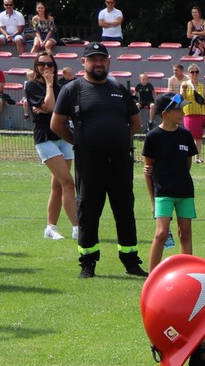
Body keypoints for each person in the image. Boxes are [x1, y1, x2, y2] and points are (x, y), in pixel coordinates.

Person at [52, 42, 144, 279]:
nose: (98, 63)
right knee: (89, 211)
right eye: (93, 59)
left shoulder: (118, 88)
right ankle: (88, 263)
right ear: (84, 62)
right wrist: (80, 141)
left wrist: (119, 139)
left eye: (102, 59)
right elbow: (56, 124)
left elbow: (136, 122)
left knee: (124, 209)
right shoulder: (72, 89)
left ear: (109, 61)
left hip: (120, 159)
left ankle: (131, 261)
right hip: (90, 161)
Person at [25, 54, 79, 241]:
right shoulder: (32, 86)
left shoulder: (62, 87)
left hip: (63, 137)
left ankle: (50, 227)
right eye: (41, 64)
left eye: (50, 64)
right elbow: (50, 106)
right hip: (45, 138)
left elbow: (61, 110)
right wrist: (48, 86)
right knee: (68, 183)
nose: (46, 67)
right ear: (36, 66)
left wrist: (49, 107)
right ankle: (77, 227)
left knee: (58, 185)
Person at [143, 93, 197, 268]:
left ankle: (187, 273)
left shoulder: (186, 135)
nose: (183, 113)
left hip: (185, 192)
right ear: (166, 114)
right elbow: (148, 170)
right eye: (178, 110)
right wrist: (152, 201)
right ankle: (152, 277)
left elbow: (187, 164)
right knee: (161, 234)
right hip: (163, 193)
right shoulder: (153, 137)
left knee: (185, 233)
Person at [180, 64, 205, 161]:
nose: (194, 74)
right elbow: (181, 98)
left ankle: (197, 157)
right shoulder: (185, 84)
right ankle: (188, 156)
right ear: (189, 73)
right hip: (189, 114)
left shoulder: (202, 86)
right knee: (189, 136)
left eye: (196, 72)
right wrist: (184, 90)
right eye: (192, 72)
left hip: (201, 113)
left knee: (199, 137)